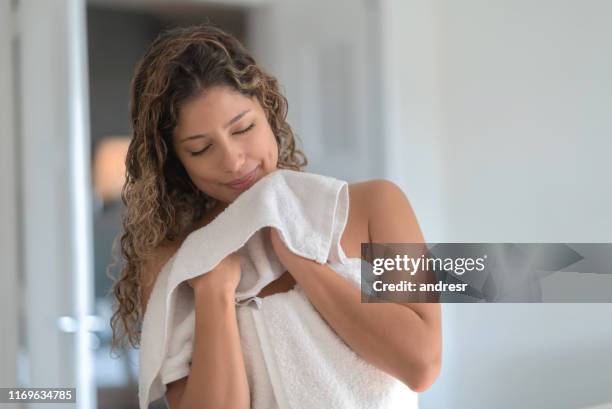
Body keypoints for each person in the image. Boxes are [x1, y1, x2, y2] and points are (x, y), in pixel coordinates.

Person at [109, 23, 441, 409]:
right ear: (176, 163)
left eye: (243, 128)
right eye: (200, 149)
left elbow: (422, 365)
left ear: (267, 108)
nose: (233, 161)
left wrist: (299, 258)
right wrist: (214, 291)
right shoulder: (177, 263)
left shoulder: (375, 206)